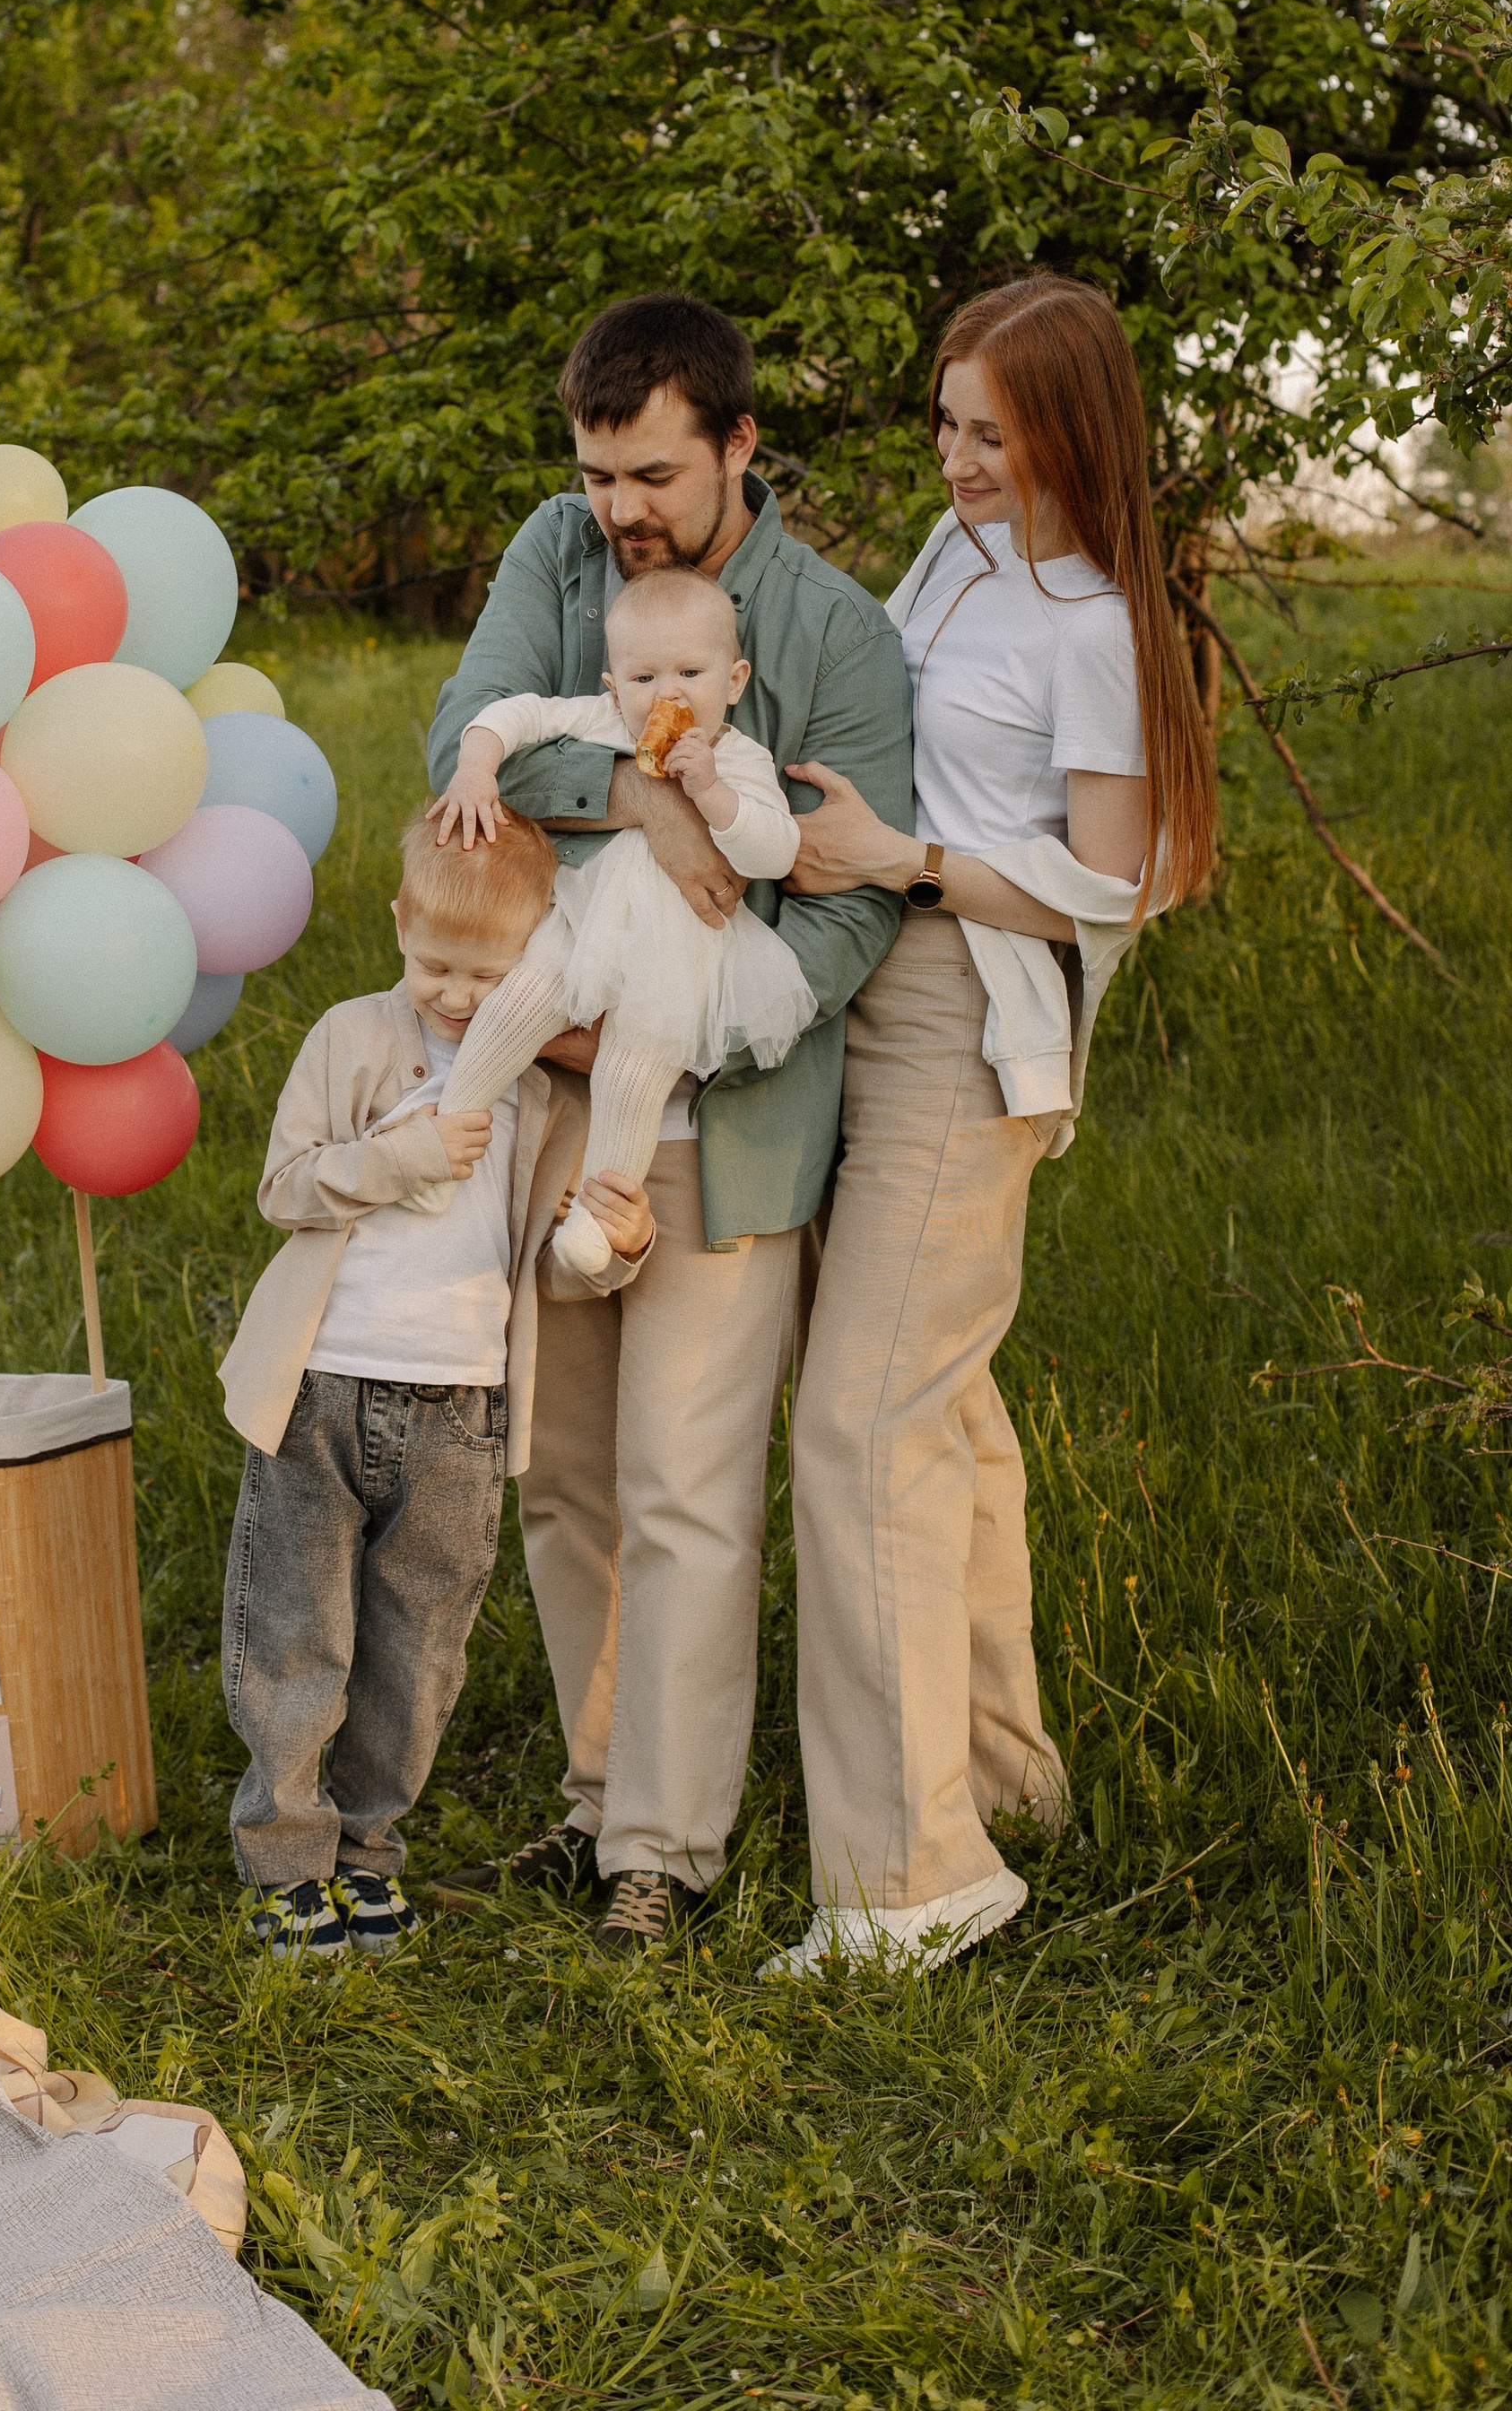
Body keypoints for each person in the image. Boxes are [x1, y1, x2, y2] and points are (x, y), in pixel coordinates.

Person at [426, 292, 914, 1950]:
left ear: (739, 447)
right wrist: (633, 787)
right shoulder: (553, 561)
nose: (618, 509)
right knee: (562, 1471)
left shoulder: (836, 632)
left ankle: (666, 1850)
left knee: (687, 1479)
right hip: (551, 1060)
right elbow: (461, 742)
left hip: (728, 1101)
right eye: (593, 473)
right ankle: (591, 1794)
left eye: (649, 474)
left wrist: (689, 1018)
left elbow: (849, 910)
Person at [772, 273, 1218, 1973]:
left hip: (972, 1015)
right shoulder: (963, 555)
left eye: (992, 432)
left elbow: (1121, 879)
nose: (956, 462)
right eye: (946, 424)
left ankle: (911, 1885)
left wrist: (906, 862)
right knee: (941, 1418)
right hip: (871, 984)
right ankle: (1007, 1780)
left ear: (1069, 432)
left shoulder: (1099, 622)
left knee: (863, 1425)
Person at [215, 805, 654, 1964]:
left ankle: (368, 1852)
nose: (458, 996)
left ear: (538, 959)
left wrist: (620, 1239)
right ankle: (285, 1860)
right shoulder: (352, 1037)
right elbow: (286, 1186)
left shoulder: (547, 1092)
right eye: (434, 965)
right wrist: (400, 1157)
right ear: (401, 925)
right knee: (297, 1634)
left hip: (459, 1407)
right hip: (322, 1384)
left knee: (417, 1649)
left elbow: (562, 1260)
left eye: (488, 972)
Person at [429, 563, 814, 1287]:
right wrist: (477, 766)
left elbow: (775, 850)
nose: (667, 694)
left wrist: (710, 792)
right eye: (642, 679)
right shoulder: (604, 724)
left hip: (679, 957)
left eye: (690, 673)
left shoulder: (739, 757)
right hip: (581, 922)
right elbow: (516, 715)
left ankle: (599, 1223)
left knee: (630, 1075)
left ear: (732, 682)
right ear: (613, 688)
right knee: (512, 1005)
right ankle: (448, 1132)